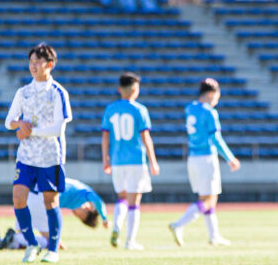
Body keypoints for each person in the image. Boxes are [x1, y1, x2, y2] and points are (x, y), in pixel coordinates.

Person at [4, 42, 72, 263]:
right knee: (18, 198)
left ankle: (52, 249)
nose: (33, 66)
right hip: (26, 156)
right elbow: (9, 122)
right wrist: (19, 124)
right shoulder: (23, 92)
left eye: (38, 62)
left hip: (50, 156)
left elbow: (58, 128)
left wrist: (30, 131)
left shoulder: (58, 92)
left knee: (50, 202)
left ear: (49, 64)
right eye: (31, 61)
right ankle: (32, 243)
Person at [169, 78, 240, 246]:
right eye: (216, 97)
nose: (216, 101)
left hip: (193, 157)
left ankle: (214, 235)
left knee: (208, 198)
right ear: (210, 94)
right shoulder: (209, 112)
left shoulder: (190, 108)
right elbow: (215, 138)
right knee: (208, 200)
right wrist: (230, 158)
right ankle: (178, 225)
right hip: (206, 158)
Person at [101, 72, 160, 250]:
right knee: (134, 202)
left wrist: (106, 159)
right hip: (135, 160)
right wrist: (153, 161)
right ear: (135, 89)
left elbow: (105, 137)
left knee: (122, 198)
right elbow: (146, 138)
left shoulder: (110, 109)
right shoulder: (140, 110)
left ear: (120, 89)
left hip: (118, 160)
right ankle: (130, 241)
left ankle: (117, 226)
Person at [0, 177, 108, 250]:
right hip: (41, 200)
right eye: (81, 216)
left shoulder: (74, 189)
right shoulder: (84, 193)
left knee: (24, 236)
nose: (76, 215)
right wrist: (105, 218)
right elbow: (98, 200)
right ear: (88, 209)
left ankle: (4, 240)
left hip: (28, 196)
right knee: (54, 243)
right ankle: (14, 239)